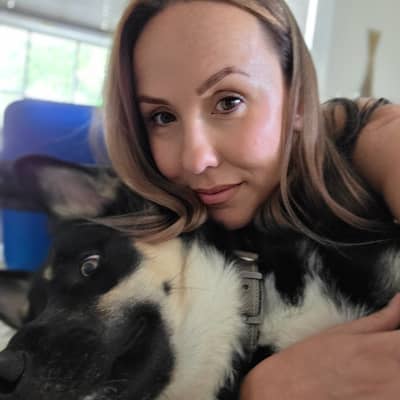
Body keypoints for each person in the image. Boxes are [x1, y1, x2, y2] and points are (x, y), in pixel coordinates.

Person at [102, 0, 400, 398]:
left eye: (229, 102)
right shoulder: (136, 223)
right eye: (162, 117)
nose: (196, 159)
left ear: (296, 99)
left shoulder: (368, 140)